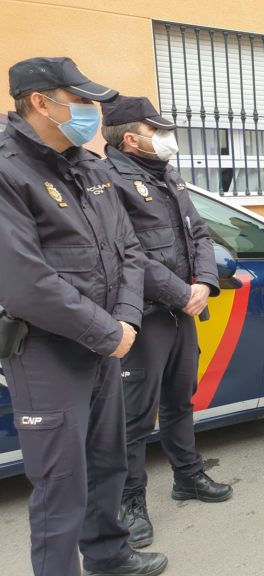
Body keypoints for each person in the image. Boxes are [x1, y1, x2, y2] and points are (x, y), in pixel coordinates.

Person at [0, 58, 167, 576]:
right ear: (40, 103)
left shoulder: (88, 165)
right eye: (81, 101)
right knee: (61, 485)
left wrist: (125, 322)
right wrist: (108, 331)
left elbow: (129, 253)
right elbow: (25, 282)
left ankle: (109, 555)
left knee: (107, 461)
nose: (93, 113)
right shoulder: (8, 172)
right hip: (48, 351)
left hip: (106, 342)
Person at [100, 96, 232, 548]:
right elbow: (127, 252)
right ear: (131, 138)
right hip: (144, 317)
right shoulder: (107, 180)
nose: (166, 137)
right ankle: (130, 502)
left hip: (182, 311)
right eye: (156, 129)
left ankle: (188, 477)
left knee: (180, 400)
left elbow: (198, 233)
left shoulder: (167, 176)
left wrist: (206, 284)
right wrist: (182, 294)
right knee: (133, 417)